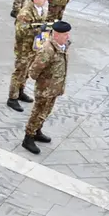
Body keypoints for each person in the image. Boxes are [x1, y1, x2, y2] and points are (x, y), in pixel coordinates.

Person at [21, 20, 71, 154]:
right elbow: (33, 71)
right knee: (38, 112)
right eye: (65, 34)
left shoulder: (62, 45)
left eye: (68, 34)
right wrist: (44, 82)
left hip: (54, 88)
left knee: (45, 112)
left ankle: (37, 131)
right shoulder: (47, 50)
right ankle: (28, 137)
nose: (68, 37)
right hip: (45, 89)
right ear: (56, 34)